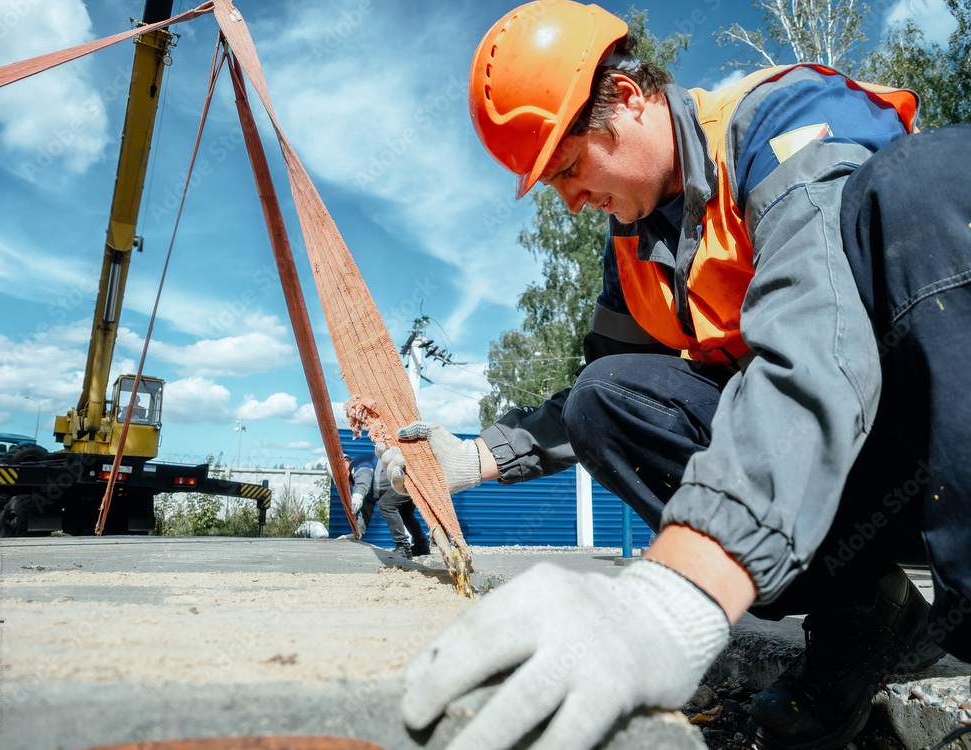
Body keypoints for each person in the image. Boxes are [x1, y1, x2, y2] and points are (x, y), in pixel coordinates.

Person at [376, 2, 971, 749]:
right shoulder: (635, 251)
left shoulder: (780, 124)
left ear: (627, 98)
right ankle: (867, 621)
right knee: (608, 398)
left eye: (568, 168)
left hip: (930, 443)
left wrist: (677, 593)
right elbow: (596, 404)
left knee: (928, 180)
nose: (570, 199)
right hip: (830, 477)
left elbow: (817, 334)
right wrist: (474, 458)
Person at [347, 453, 430, 559]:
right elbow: (366, 510)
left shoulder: (356, 464)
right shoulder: (367, 486)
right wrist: (357, 533)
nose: (347, 483)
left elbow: (364, 477)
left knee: (385, 505)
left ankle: (403, 547)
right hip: (410, 478)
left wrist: (358, 494)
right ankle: (422, 547)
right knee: (406, 514)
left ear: (345, 462)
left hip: (406, 477)